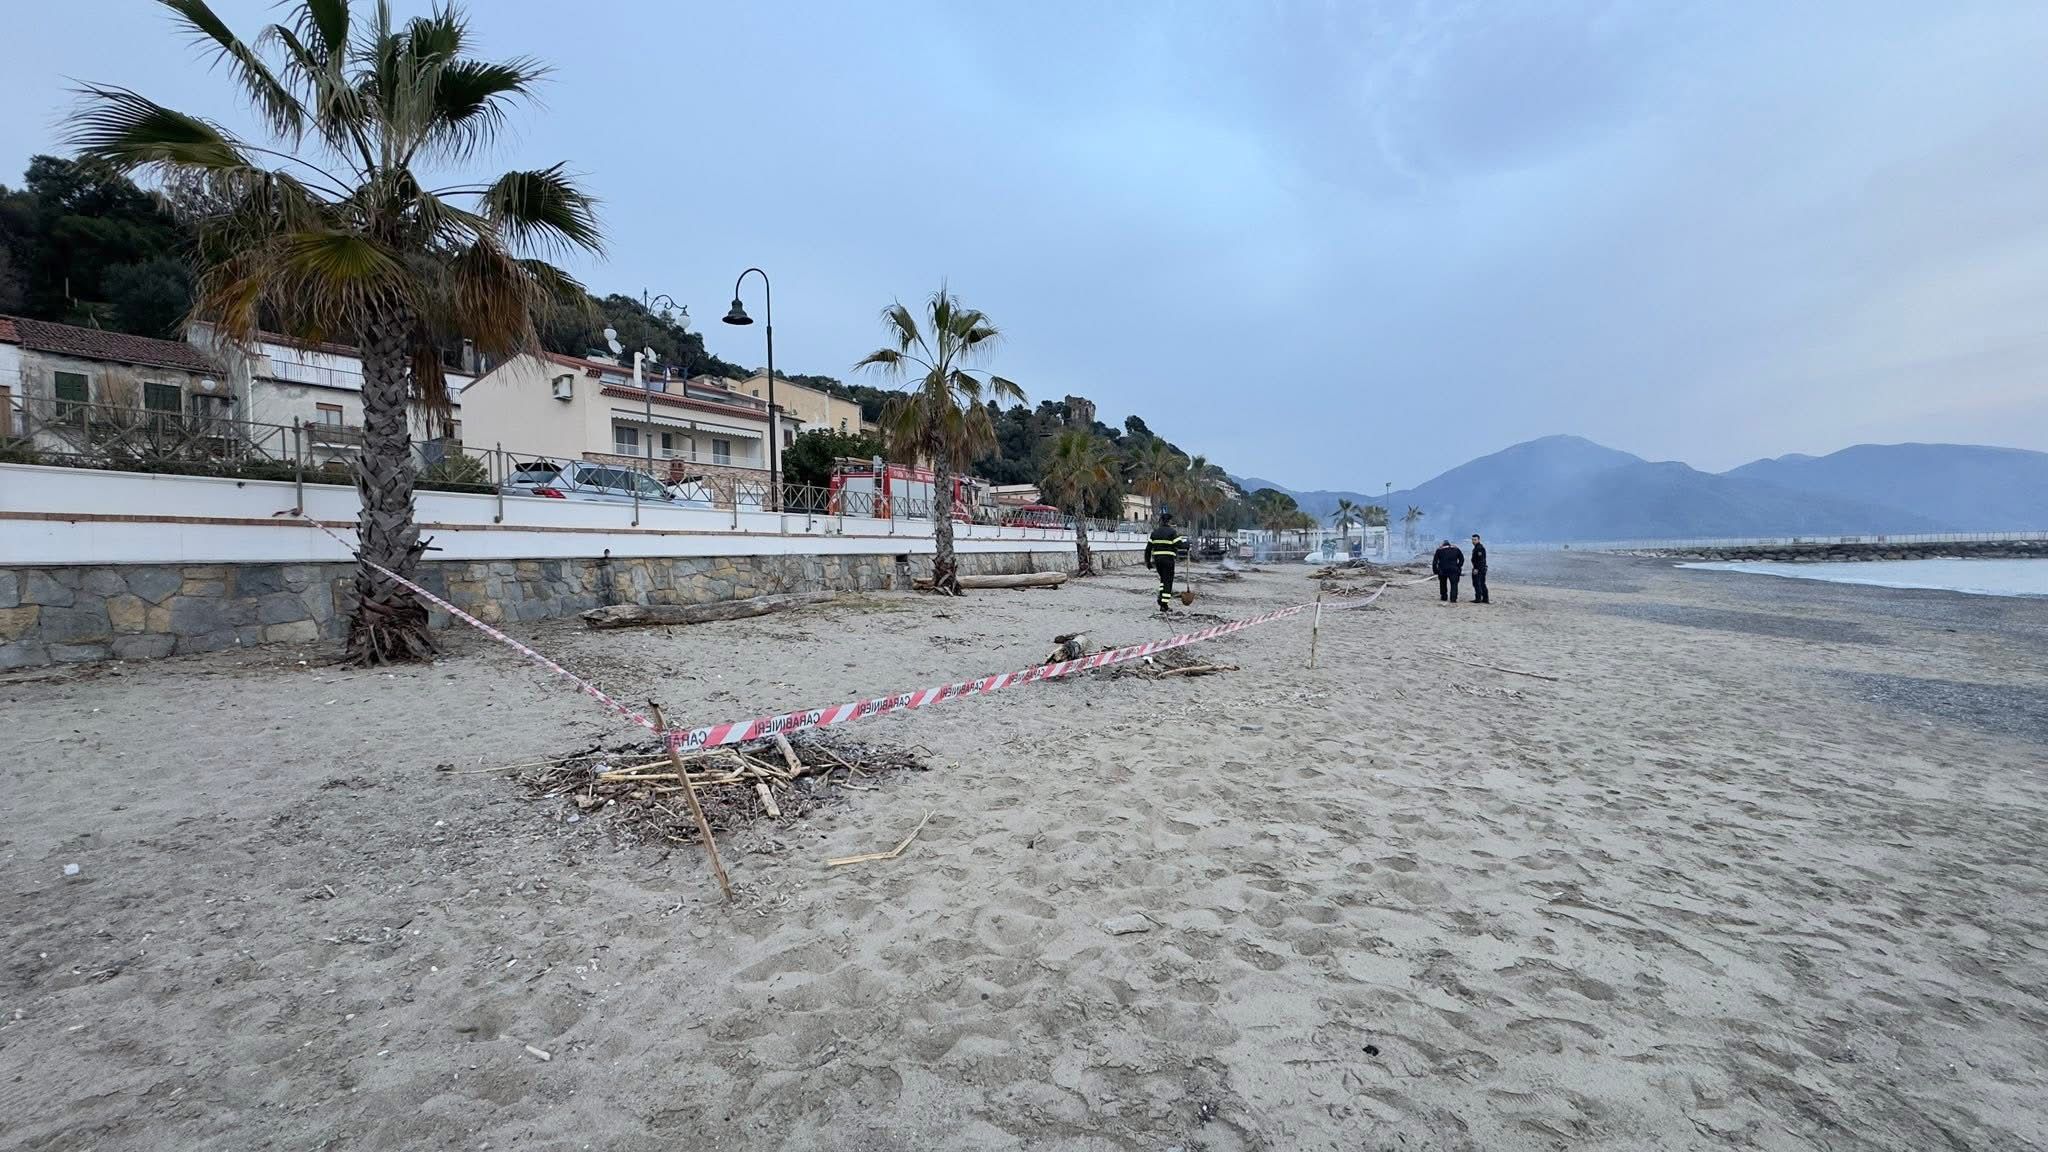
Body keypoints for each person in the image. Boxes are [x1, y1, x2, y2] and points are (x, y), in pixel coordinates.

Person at [1145, 512, 1187, 613]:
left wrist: (1148, 562)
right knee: (1168, 582)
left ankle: (1161, 598)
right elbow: (1180, 545)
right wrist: (1187, 545)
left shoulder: (1154, 533)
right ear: (1169, 521)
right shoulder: (1172, 532)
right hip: (1168, 561)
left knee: (1163, 580)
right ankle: (1164, 605)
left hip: (1158, 561)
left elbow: (1148, 549)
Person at [1432, 538, 1464, 602]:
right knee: (1454, 584)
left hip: (1442, 570)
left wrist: (1435, 571)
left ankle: (1444, 597)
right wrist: (1458, 567)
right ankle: (1453, 598)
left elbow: (1434, 562)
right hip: (1454, 570)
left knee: (1443, 584)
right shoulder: (1456, 549)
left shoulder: (1439, 550)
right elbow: (1462, 559)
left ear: (1443, 544)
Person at [1469, 534, 1490, 603]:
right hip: (1482, 568)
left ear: (1478, 540)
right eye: (1472, 540)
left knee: (1477, 583)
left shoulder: (1479, 548)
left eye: (1475, 540)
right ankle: (1485, 599)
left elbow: (1480, 560)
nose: (1473, 541)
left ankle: (1478, 598)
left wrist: (1476, 568)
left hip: (1479, 568)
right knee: (1482, 583)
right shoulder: (1477, 547)